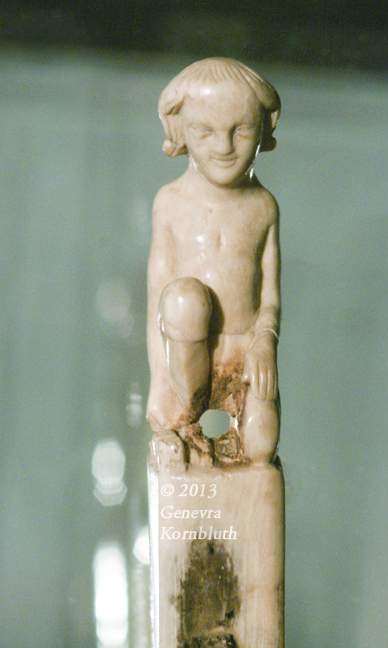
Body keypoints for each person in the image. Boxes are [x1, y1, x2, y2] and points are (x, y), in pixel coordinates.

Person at [147, 58, 281, 465]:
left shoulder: (263, 207)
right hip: (186, 352)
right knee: (182, 299)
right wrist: (159, 386)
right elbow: (157, 303)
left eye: (241, 130)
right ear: (179, 130)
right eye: (205, 131)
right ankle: (183, 424)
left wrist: (265, 342)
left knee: (260, 451)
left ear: (265, 128)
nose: (224, 147)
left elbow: (270, 294)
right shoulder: (170, 203)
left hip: (245, 348)